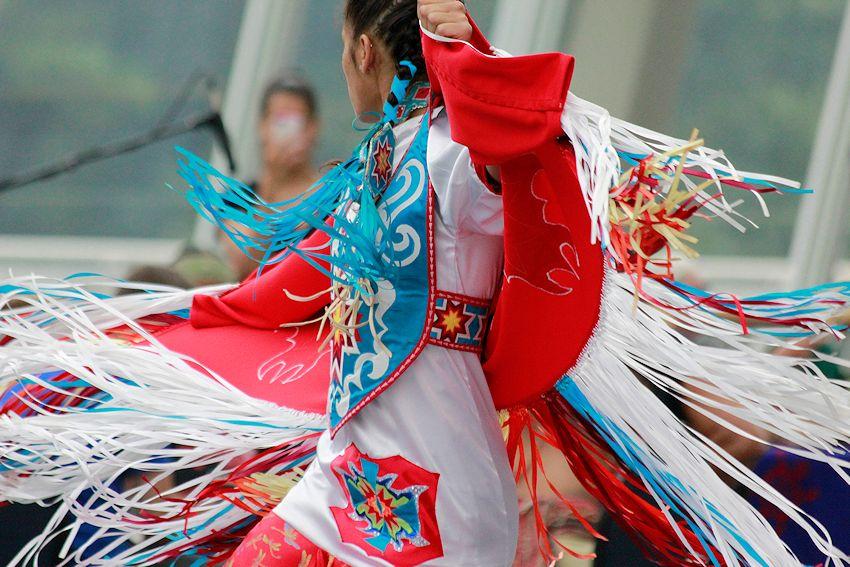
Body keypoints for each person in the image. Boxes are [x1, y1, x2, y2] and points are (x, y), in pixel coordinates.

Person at [3, 1, 850, 566]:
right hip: (363, 475)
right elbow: (288, 286)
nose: (343, 69)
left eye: (341, 50)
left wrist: (470, 65)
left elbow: (530, 167)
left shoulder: (450, 158)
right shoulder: (375, 167)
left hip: (422, 492)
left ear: (365, 51)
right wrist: (161, 321)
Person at [222, 77, 321, 280]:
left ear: (312, 128)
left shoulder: (333, 194)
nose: (287, 132)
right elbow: (242, 265)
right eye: (280, 121)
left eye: (295, 121)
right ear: (262, 126)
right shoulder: (237, 197)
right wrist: (272, 182)